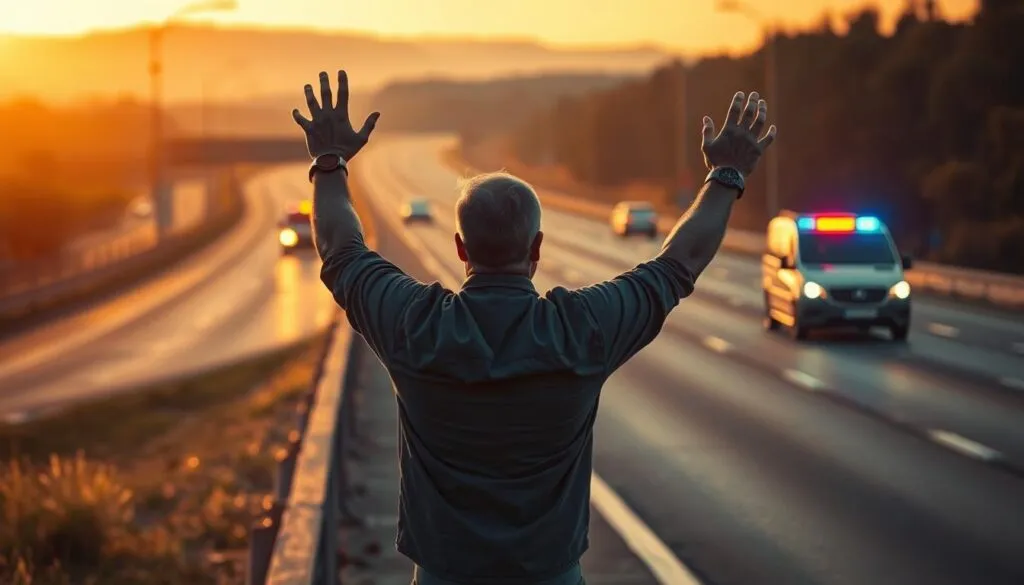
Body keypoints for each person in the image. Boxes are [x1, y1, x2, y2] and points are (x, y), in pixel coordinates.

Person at [292, 70, 776, 585]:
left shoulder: (416, 326)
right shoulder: (582, 330)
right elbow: (680, 262)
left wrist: (330, 161)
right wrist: (726, 175)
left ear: (460, 249)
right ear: (537, 248)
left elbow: (340, 247)